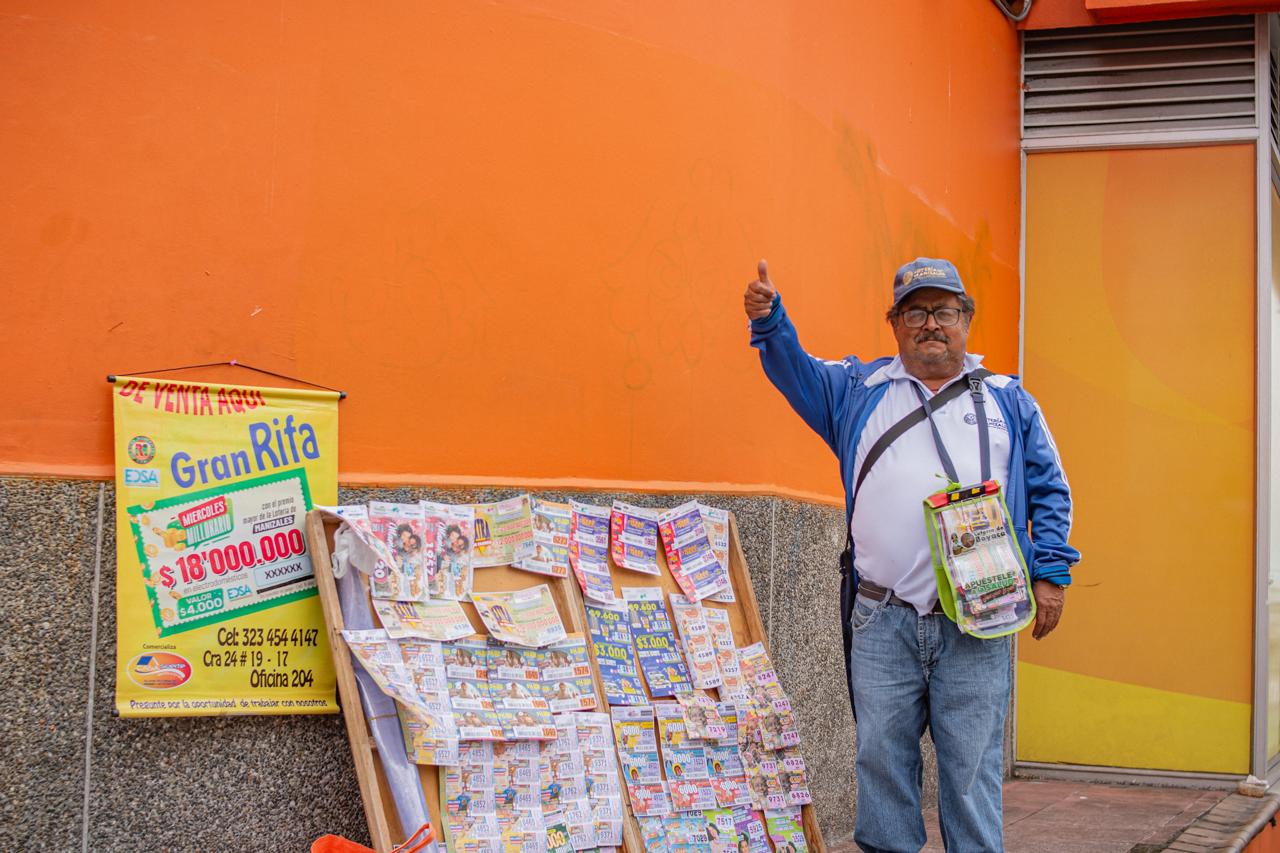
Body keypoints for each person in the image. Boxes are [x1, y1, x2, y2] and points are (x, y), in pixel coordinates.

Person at [743, 258, 1078, 853]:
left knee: (971, 770)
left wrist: (1050, 575)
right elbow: (797, 373)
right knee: (881, 761)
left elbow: (1051, 487)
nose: (931, 324)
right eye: (916, 312)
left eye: (943, 311)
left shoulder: (1008, 400)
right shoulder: (856, 391)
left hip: (979, 619)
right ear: (894, 322)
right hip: (881, 618)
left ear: (966, 320)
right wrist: (772, 323)